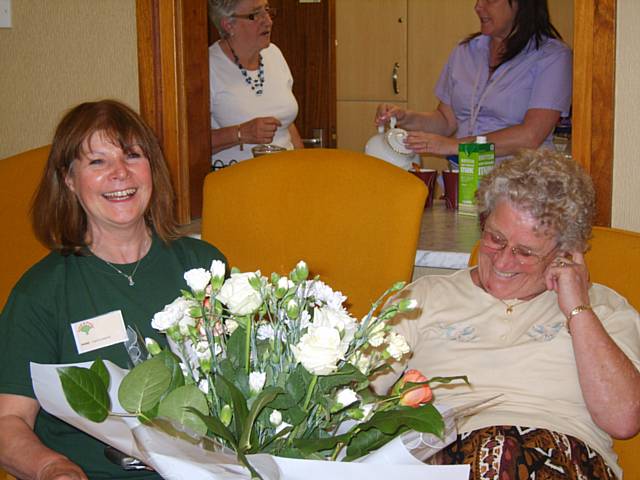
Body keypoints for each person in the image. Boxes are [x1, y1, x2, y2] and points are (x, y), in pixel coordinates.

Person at [374, 150, 640, 479]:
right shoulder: (423, 298)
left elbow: (623, 420)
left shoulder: (604, 310)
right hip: (441, 456)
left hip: (563, 457)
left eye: (525, 252)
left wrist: (576, 309)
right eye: (495, 239)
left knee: (502, 456)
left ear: (566, 251)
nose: (502, 262)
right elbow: (347, 398)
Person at [0, 100, 227, 479]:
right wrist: (52, 468)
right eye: (97, 162)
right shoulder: (41, 293)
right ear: (69, 179)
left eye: (132, 156)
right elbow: (8, 419)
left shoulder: (203, 268)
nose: (120, 173)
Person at [375, 0, 572, 160]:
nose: (478, 6)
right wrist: (405, 117)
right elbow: (446, 121)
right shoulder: (465, 51)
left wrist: (455, 146)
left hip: (522, 187)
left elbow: (531, 136)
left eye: (490, 0)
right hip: (466, 182)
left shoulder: (552, 56)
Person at [208, 0, 303, 167]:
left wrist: (304, 166)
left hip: (285, 179)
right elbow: (189, 143)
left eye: (267, 11)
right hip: (236, 183)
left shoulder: (274, 54)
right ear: (229, 25)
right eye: (256, 15)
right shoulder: (207, 67)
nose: (268, 21)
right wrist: (240, 133)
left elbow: (287, 124)